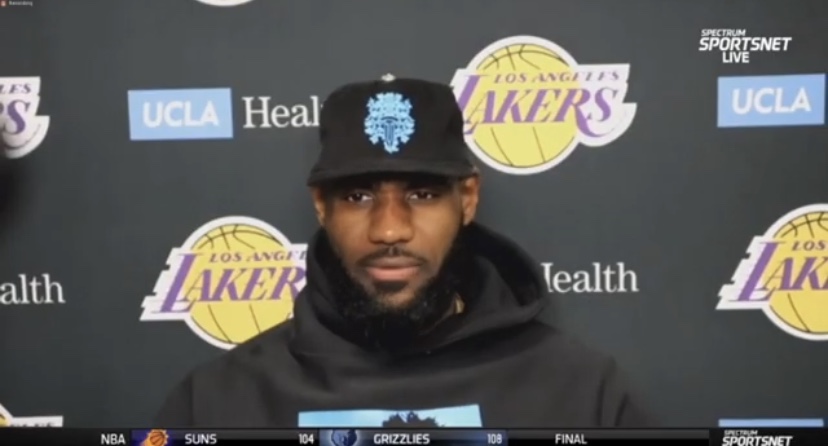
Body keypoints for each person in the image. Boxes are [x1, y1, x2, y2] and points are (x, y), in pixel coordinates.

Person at [154, 75, 653, 428]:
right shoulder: (218, 402)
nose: (390, 229)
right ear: (322, 206)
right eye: (358, 196)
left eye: (423, 194)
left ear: (468, 199)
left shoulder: (582, 392)